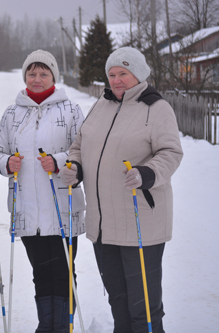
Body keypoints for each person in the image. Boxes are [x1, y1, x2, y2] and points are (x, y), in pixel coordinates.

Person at [59, 47, 183, 332]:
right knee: (118, 301)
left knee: (144, 307)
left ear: (138, 74)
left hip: (141, 221)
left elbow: (171, 152)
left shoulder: (156, 107)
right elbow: (79, 145)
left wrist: (147, 172)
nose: (116, 80)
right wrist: (75, 167)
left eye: (122, 73)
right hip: (103, 225)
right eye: (112, 74)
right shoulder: (100, 105)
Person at [0, 50, 86, 332]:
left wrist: (58, 161)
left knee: (65, 272)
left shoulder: (71, 110)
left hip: (62, 208)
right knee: (41, 273)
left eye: (43, 73)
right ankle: (47, 325)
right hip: (28, 212)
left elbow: (83, 151)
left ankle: (64, 325)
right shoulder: (12, 113)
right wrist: (6, 162)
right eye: (31, 73)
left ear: (53, 76)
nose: (37, 78)